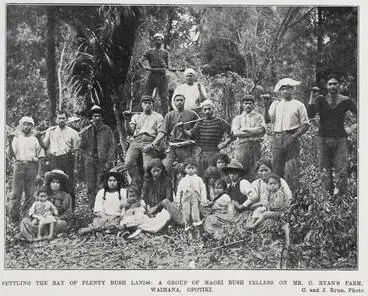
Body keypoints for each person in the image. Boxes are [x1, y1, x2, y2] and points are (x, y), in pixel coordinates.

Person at [308, 75, 357, 196]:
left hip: (340, 138)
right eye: (330, 84)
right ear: (326, 86)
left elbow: (360, 115)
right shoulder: (320, 99)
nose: (333, 86)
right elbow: (311, 114)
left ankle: (341, 197)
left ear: (339, 85)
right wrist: (312, 99)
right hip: (323, 138)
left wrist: (351, 128)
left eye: (335, 83)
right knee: (324, 168)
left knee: (341, 169)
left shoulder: (346, 100)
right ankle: (327, 198)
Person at [264, 78, 310, 191]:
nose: (285, 91)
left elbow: (305, 125)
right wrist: (266, 106)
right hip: (277, 138)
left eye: (288, 88)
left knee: (291, 168)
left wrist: (293, 137)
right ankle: (277, 196)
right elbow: (267, 120)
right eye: (283, 89)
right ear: (280, 91)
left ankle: (293, 196)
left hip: (291, 136)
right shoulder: (275, 104)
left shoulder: (298, 105)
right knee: (276, 167)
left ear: (293, 90)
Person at [38, 110, 80, 211]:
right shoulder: (50, 131)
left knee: (69, 184)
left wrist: (76, 166)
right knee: (54, 183)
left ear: (66, 119)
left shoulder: (73, 132)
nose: (61, 120)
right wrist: (39, 137)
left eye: (63, 118)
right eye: (59, 118)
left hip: (67, 159)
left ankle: (71, 210)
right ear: (56, 119)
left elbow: (76, 151)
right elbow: (44, 145)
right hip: (54, 159)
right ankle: (54, 208)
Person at [151, 94, 199, 174]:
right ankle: (169, 185)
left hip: (186, 146)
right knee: (167, 166)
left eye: (181, 100)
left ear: (184, 101)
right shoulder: (169, 115)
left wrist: (195, 142)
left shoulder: (192, 114)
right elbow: (163, 131)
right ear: (174, 102)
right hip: (172, 146)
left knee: (187, 169)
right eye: (177, 100)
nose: (179, 102)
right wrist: (155, 141)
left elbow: (198, 127)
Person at [19, 170, 72, 241]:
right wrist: (37, 217)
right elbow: (34, 207)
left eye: (57, 182)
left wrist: (58, 218)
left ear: (61, 184)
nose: (55, 184)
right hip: (40, 219)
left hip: (55, 221)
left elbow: (68, 213)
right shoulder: (43, 194)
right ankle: (32, 237)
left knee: (61, 224)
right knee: (25, 221)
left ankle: (43, 234)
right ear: (49, 183)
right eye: (53, 182)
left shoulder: (66, 196)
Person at [9, 116, 44, 226]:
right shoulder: (16, 138)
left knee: (30, 194)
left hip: (32, 166)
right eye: (24, 124)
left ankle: (26, 217)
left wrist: (39, 173)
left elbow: (41, 157)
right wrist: (9, 141)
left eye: (29, 124)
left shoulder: (35, 139)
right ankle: (14, 219)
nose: (26, 126)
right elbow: (10, 155)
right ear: (21, 126)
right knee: (16, 194)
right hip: (19, 165)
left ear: (32, 126)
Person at [80, 105, 116, 210]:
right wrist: (87, 158)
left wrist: (108, 161)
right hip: (90, 162)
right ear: (91, 117)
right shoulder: (86, 131)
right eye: (95, 116)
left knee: (101, 185)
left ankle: (101, 207)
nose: (97, 118)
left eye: (99, 116)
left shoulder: (107, 130)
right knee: (90, 186)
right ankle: (92, 207)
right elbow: (81, 148)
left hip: (102, 161)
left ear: (102, 117)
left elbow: (112, 146)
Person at [184, 100, 232, 176]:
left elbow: (232, 134)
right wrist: (182, 129)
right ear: (202, 111)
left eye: (209, 109)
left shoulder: (220, 122)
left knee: (213, 174)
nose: (207, 111)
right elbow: (191, 133)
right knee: (201, 175)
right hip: (202, 153)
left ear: (213, 109)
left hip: (215, 152)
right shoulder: (199, 122)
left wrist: (225, 143)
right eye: (205, 109)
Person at [125, 95, 164, 182]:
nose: (147, 105)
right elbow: (130, 132)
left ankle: (147, 187)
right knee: (129, 162)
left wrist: (153, 144)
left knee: (147, 167)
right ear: (141, 105)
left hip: (149, 141)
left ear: (152, 105)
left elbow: (161, 133)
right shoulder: (136, 116)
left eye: (149, 103)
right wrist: (126, 120)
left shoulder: (158, 116)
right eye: (145, 103)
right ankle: (137, 182)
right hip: (136, 141)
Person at [232, 95, 266, 181]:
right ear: (242, 105)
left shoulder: (259, 117)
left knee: (256, 170)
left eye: (250, 103)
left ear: (254, 105)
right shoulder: (238, 118)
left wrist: (244, 129)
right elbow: (236, 133)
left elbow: (261, 130)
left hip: (255, 146)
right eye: (245, 103)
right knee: (241, 170)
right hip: (242, 147)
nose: (248, 105)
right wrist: (253, 132)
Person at [139, 33, 171, 114]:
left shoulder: (165, 53)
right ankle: (144, 112)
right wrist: (144, 67)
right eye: (156, 40)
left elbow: (168, 66)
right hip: (152, 75)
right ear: (154, 41)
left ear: (162, 41)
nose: (158, 41)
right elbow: (140, 61)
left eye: (159, 40)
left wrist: (169, 69)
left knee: (164, 97)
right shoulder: (150, 52)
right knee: (147, 95)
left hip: (162, 76)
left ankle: (165, 115)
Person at [175, 158, 208, 234]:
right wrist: (178, 201)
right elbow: (179, 191)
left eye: (192, 168)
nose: (190, 170)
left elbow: (203, 189)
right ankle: (189, 231)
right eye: (188, 168)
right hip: (185, 198)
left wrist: (204, 199)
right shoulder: (183, 180)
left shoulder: (199, 179)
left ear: (196, 169)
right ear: (185, 169)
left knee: (195, 214)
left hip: (195, 198)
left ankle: (198, 231)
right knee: (186, 214)